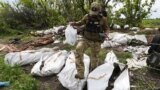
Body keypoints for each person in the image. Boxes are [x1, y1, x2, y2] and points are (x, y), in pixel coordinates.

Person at [70, 2, 109, 79]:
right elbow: (81, 22)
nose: (93, 14)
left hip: (96, 41)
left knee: (94, 58)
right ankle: (80, 73)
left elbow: (106, 28)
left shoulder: (103, 19)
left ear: (99, 11)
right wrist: (74, 23)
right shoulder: (87, 17)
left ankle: (93, 73)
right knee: (78, 49)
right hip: (86, 39)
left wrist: (107, 33)